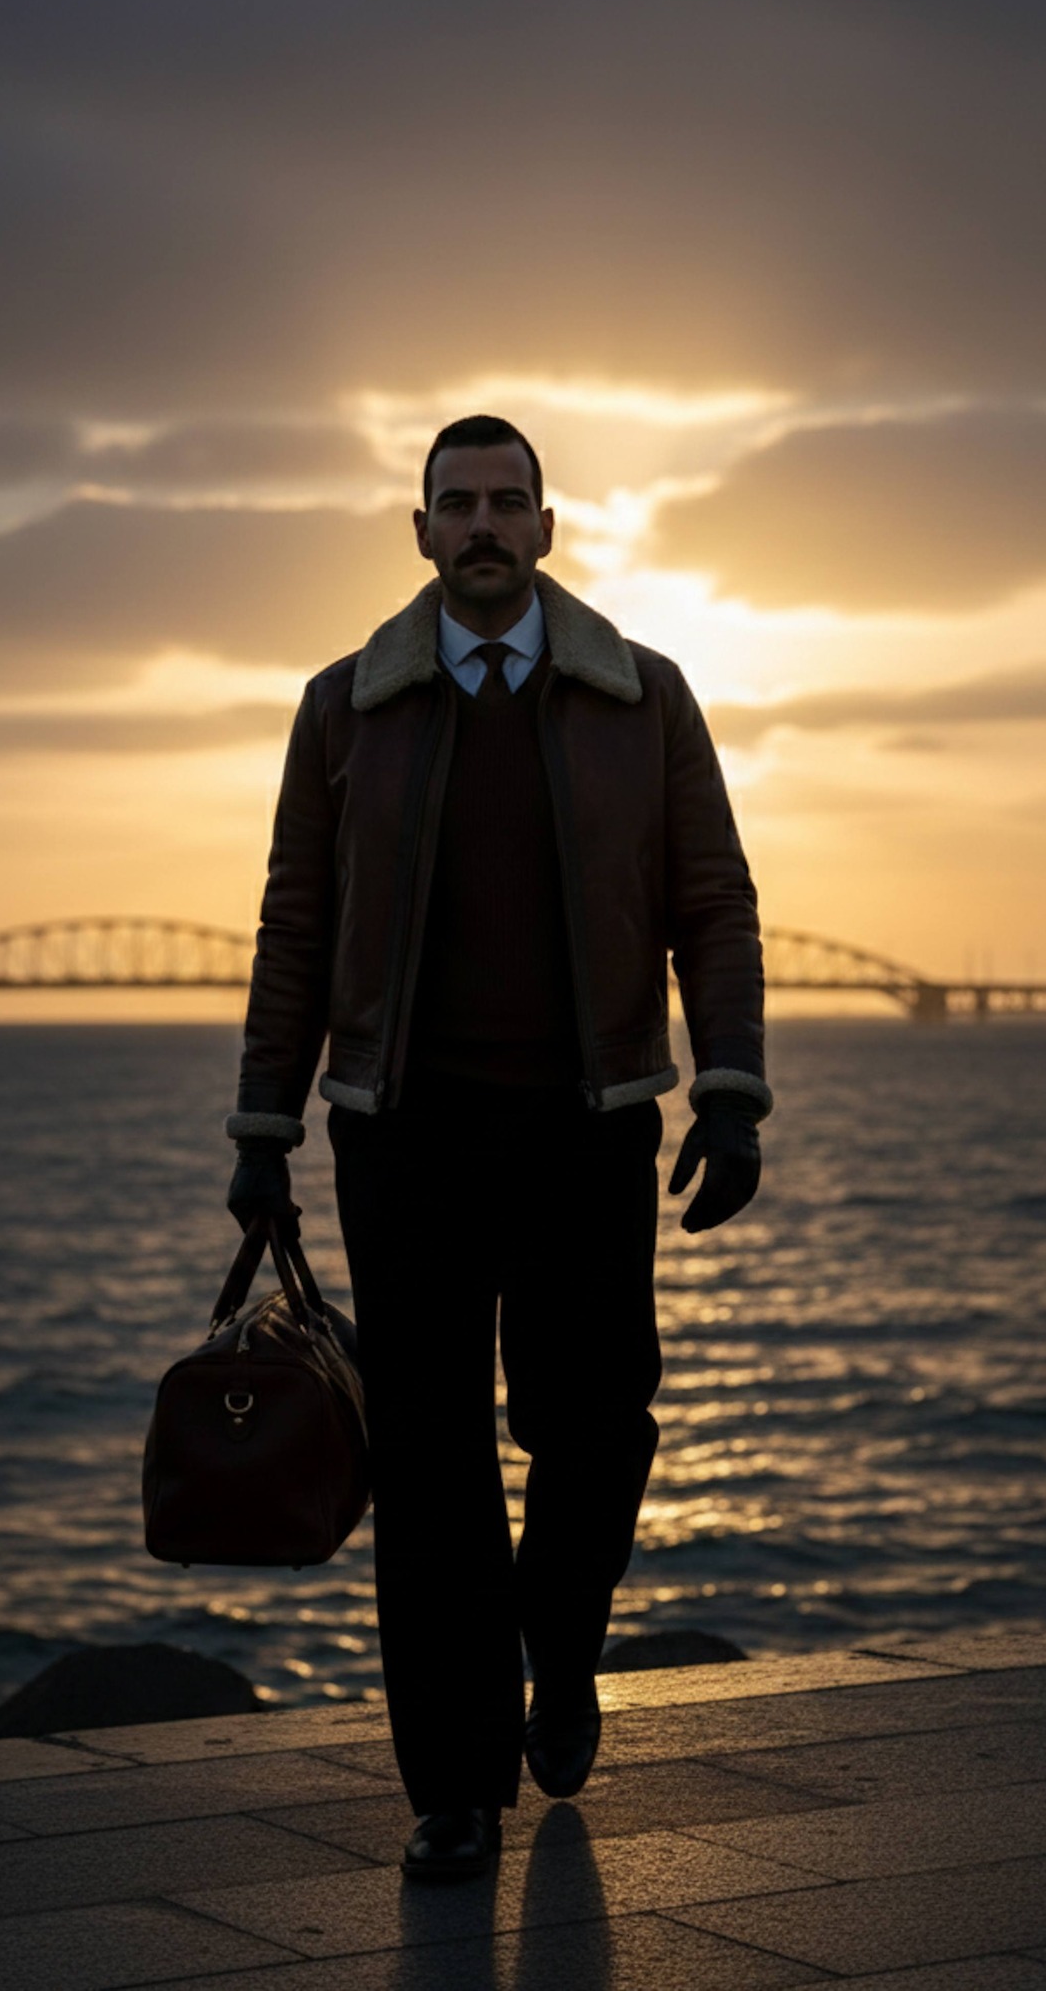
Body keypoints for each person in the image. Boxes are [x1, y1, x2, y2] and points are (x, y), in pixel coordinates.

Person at [226, 415, 769, 1881]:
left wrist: (730, 1086)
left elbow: (713, 899)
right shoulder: (345, 708)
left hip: (588, 1126)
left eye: (503, 502)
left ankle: (563, 1637)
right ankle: (454, 1786)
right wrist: (263, 1126)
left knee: (596, 1426)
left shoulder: (641, 699)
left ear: (546, 526)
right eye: (453, 503)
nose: (480, 524)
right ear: (420, 533)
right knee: (430, 1456)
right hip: (399, 1134)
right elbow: (296, 921)